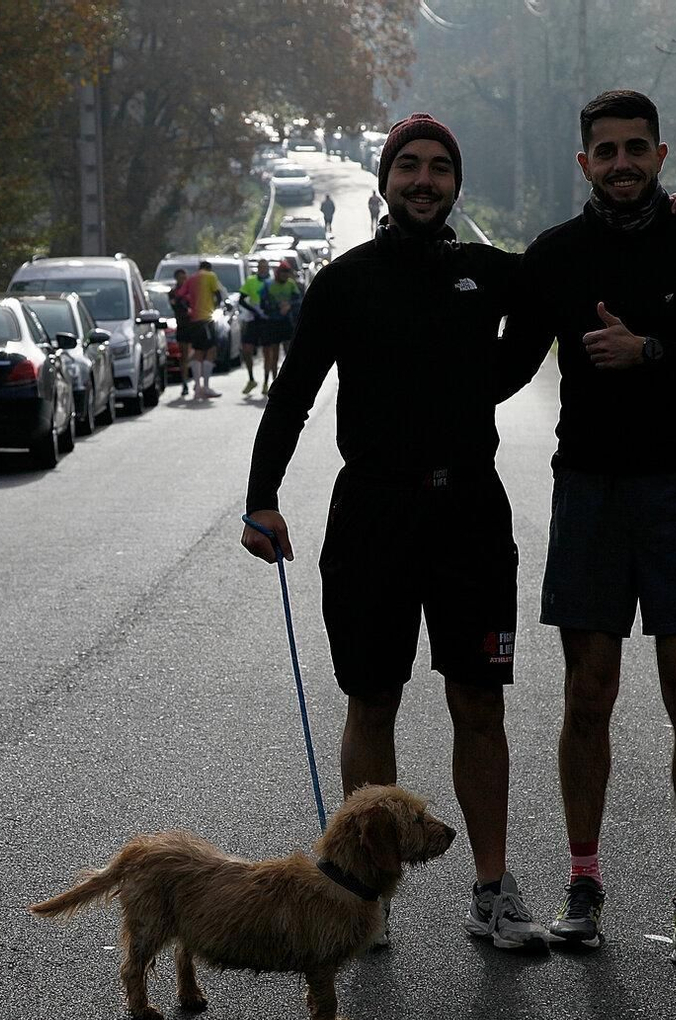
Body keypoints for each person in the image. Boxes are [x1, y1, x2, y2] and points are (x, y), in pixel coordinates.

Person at [242, 113, 553, 951]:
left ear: (457, 183)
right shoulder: (344, 282)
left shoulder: (489, 274)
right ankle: (363, 899)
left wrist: (490, 382)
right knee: (372, 697)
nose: (424, 180)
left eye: (439, 168)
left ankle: (492, 888)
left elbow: (565, 286)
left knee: (478, 701)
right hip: (372, 512)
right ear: (385, 180)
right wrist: (261, 496)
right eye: (408, 166)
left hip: (471, 516)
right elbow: (293, 394)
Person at [499, 89, 676, 966]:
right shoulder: (556, 255)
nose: (621, 163)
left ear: (661, 154)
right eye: (605, 150)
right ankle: (584, 883)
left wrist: (650, 349)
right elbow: (499, 364)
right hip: (588, 493)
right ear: (584, 163)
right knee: (588, 695)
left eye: (636, 149)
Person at [176, 261, 225, 399]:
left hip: (194, 320)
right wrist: (215, 308)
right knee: (210, 350)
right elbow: (218, 294)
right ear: (209, 268)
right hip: (206, 319)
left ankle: (197, 386)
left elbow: (179, 297)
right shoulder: (210, 276)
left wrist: (188, 309)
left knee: (197, 351)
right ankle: (206, 386)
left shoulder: (191, 278)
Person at [256, 262, 301, 396]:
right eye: (283, 273)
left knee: (289, 353)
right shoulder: (269, 285)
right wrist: (276, 307)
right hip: (273, 322)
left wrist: (288, 305)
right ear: (278, 273)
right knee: (273, 354)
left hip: (287, 322)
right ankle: (274, 381)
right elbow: (262, 303)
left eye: (287, 273)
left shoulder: (291, 284)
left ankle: (289, 382)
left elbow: (298, 300)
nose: (285, 276)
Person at [237, 259, 269, 395]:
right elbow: (241, 299)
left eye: (265, 267)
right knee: (247, 350)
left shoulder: (272, 282)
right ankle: (251, 379)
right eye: (260, 267)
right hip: (253, 320)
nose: (262, 269)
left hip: (267, 321)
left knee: (268, 353)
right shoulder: (251, 281)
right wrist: (252, 309)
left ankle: (267, 382)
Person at [169, 268, 197, 397]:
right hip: (182, 326)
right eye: (180, 278)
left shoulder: (192, 290)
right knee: (183, 355)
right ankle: (184, 383)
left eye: (184, 277)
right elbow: (176, 305)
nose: (183, 280)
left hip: (194, 325)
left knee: (197, 353)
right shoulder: (173, 293)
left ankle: (197, 381)